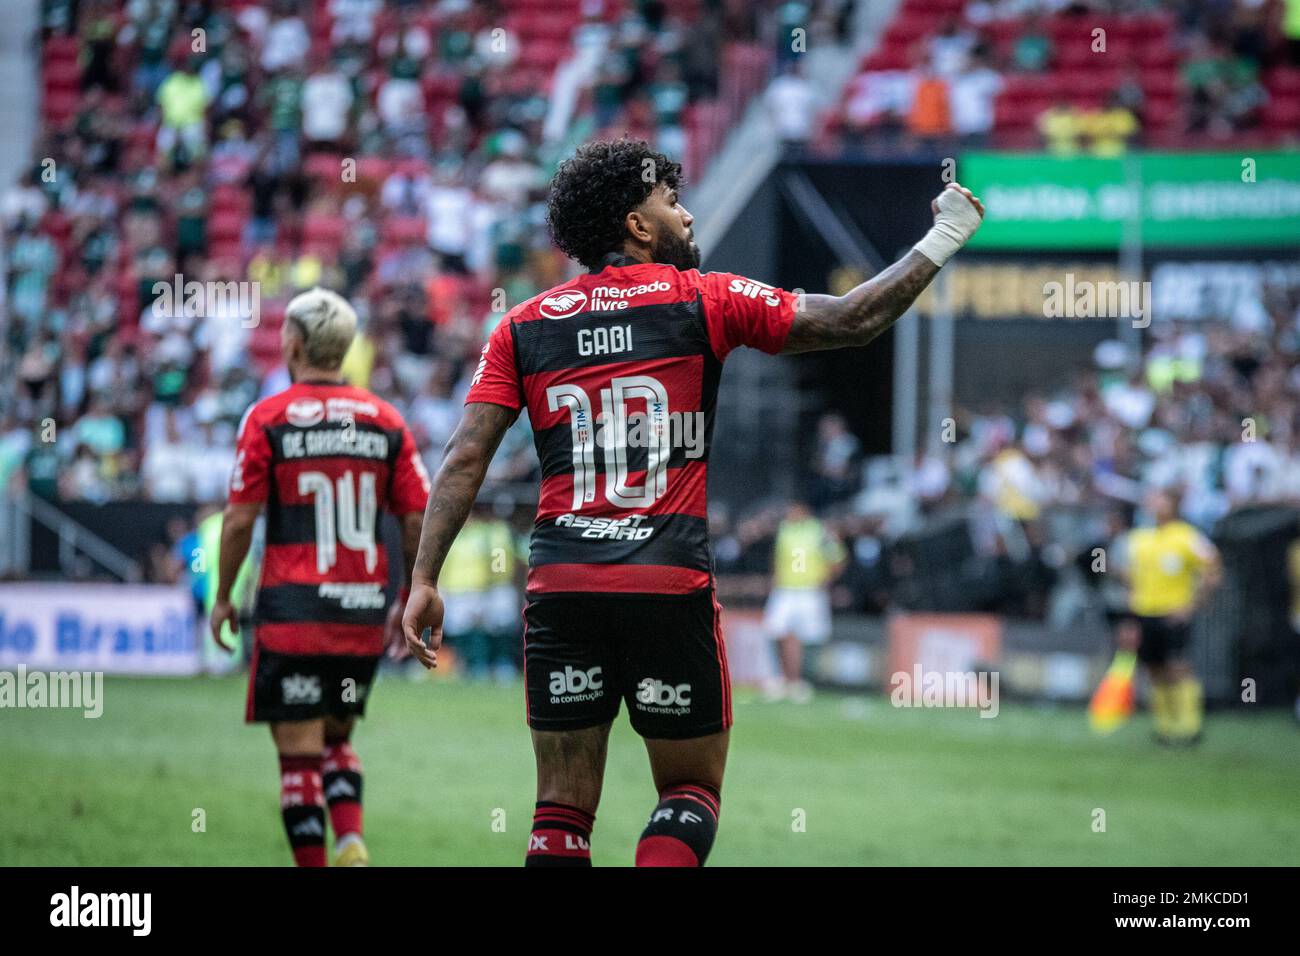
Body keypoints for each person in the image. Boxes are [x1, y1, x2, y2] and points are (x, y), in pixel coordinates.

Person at [401, 139, 984, 867]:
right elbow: (851, 321)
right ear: (638, 227)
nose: (685, 214)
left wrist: (424, 579)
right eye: (670, 202)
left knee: (559, 810)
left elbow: (463, 457)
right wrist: (944, 235)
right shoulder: (704, 299)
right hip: (665, 582)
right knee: (687, 793)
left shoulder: (521, 326)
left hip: (562, 588)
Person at [211, 288, 430, 866]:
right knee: (337, 737)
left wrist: (222, 598)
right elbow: (416, 517)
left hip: (292, 614)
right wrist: (409, 593)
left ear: (293, 343)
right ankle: (352, 841)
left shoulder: (268, 418)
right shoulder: (386, 421)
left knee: (298, 758)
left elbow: (238, 521)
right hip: (359, 612)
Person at [1116, 488, 1222, 745]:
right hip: (1144, 612)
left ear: (1173, 504)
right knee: (1154, 668)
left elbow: (1213, 569)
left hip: (1173, 613)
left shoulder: (1186, 536)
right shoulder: (1140, 538)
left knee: (1178, 667)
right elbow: (1128, 575)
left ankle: (1189, 726)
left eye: (1160, 499)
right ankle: (1164, 727)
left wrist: (1193, 604)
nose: (1153, 504)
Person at [762, 502, 846, 703]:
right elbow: (777, 557)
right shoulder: (783, 529)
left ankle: (797, 680)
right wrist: (775, 576)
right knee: (776, 631)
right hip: (785, 589)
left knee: (805, 636)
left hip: (810, 591)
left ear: (804, 510)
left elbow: (837, 558)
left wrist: (826, 580)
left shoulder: (820, 531)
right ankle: (785, 678)